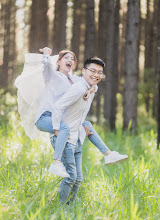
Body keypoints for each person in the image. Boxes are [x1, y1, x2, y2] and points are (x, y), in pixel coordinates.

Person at [14, 47, 128, 179]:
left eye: (72, 58)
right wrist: (46, 53)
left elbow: (93, 84)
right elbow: (45, 67)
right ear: (58, 62)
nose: (70, 60)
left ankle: (108, 154)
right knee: (64, 128)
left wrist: (89, 91)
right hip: (45, 117)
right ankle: (56, 163)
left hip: (60, 117)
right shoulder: (52, 76)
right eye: (66, 58)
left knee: (87, 124)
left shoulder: (74, 80)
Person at [49, 57, 126, 204]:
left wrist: (91, 89)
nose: (96, 75)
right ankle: (60, 209)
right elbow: (58, 107)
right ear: (83, 71)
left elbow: (94, 86)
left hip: (76, 137)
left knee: (78, 179)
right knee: (71, 176)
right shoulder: (78, 88)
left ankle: (69, 208)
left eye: (99, 72)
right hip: (65, 138)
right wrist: (57, 130)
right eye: (92, 70)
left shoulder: (91, 87)